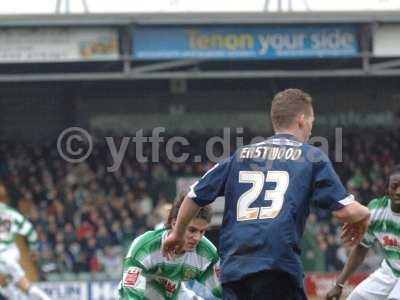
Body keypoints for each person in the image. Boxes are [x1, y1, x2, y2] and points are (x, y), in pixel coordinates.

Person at [162, 88, 370, 300]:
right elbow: (346, 212)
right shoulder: (311, 156)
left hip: (235, 268)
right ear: (301, 120)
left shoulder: (241, 155)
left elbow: (194, 195)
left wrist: (177, 233)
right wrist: (365, 213)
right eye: (311, 122)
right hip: (277, 264)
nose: (310, 129)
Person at [119, 195, 221, 299]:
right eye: (192, 230)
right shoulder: (144, 248)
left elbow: (225, 291)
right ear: (174, 224)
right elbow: (130, 295)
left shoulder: (207, 253)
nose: (197, 238)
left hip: (176, 294)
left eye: (202, 231)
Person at [326, 165, 400, 300]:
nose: (398, 191)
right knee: (355, 298)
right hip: (390, 271)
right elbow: (361, 248)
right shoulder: (375, 211)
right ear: (387, 189)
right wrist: (339, 284)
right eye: (394, 186)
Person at [0, 184, 51, 300]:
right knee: (3, 283)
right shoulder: (12, 213)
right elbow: (30, 231)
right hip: (11, 251)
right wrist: (33, 249)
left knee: (23, 285)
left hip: (3, 255)